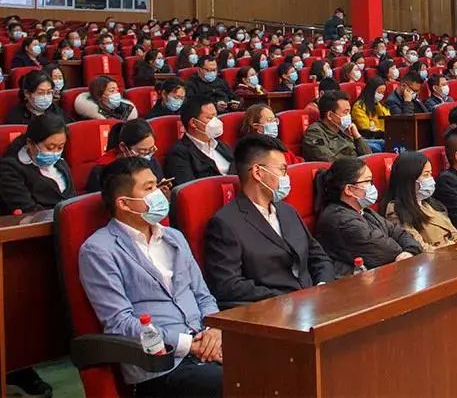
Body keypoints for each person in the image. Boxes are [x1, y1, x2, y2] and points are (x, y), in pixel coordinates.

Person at [79, 157, 223, 397]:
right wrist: (189, 345)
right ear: (124, 203)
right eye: (149, 188)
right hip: (160, 365)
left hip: (209, 347)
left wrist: (215, 331)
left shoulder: (174, 237)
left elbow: (203, 296)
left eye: (156, 185)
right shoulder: (99, 250)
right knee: (241, 383)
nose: (159, 193)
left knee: (277, 364)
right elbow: (120, 323)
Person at [204, 135, 334, 304]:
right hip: (273, 311)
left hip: (314, 302)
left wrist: (322, 285)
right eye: (282, 170)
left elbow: (319, 257)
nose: (286, 177)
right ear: (258, 172)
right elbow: (228, 284)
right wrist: (284, 300)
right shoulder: (225, 223)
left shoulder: (288, 211)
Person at [314, 156, 421, 273]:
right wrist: (404, 251)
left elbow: (398, 232)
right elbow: (385, 252)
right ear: (349, 189)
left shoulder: (364, 211)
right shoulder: (340, 220)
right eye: (367, 181)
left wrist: (410, 250)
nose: (372, 186)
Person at [379, 151, 457, 251]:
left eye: (430, 174)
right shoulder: (396, 210)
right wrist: (450, 248)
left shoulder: (430, 204)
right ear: (409, 179)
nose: (430, 179)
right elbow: (420, 248)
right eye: (425, 175)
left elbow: (456, 235)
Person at [0, 114, 73, 214]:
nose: (55, 152)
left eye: (60, 147)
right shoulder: (11, 168)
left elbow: (72, 198)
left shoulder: (60, 162)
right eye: (50, 148)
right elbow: (28, 209)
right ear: (30, 143)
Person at [164, 97, 234, 185]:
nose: (215, 122)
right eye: (209, 118)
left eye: (215, 116)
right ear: (193, 123)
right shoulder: (179, 153)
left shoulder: (222, 146)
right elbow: (189, 189)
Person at [85, 119, 164, 193]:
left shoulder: (152, 161)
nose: (147, 155)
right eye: (142, 151)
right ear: (123, 147)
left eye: (151, 149)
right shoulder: (103, 171)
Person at [302, 91, 370, 162]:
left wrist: (357, 136)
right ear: (330, 115)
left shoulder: (343, 130)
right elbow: (329, 161)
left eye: (349, 112)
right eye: (345, 112)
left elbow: (368, 156)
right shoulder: (314, 133)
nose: (349, 116)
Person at [351, 77, 390, 142]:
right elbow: (366, 129)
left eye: (383, 93)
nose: (381, 95)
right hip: (370, 138)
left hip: (385, 136)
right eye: (379, 92)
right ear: (371, 91)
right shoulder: (359, 106)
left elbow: (389, 122)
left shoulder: (383, 106)